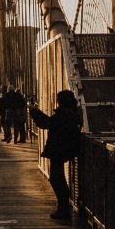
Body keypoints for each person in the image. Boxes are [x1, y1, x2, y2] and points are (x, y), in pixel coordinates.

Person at [28, 88, 87, 221]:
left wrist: (34, 112)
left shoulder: (64, 114)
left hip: (59, 149)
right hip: (65, 148)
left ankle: (63, 208)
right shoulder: (71, 113)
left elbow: (47, 123)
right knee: (57, 178)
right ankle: (62, 207)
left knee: (56, 178)